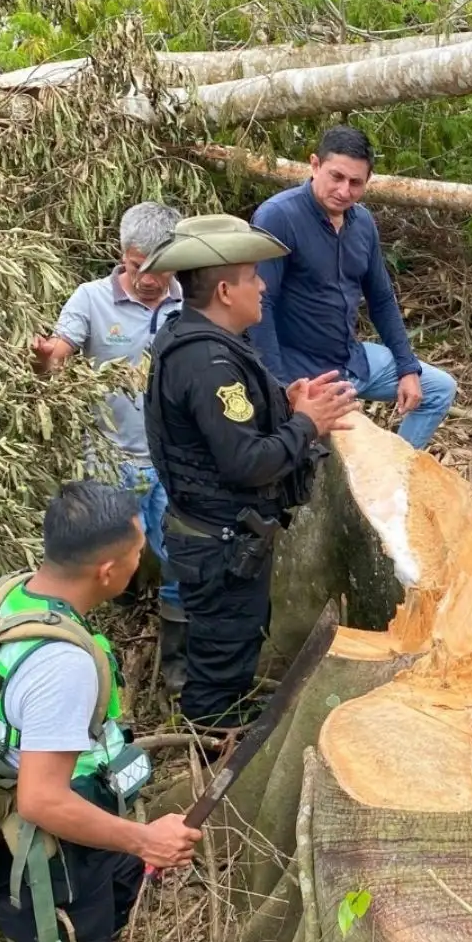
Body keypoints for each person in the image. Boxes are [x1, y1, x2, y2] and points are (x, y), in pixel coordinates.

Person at [0, 480, 203, 942]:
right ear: (108, 570)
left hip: (71, 835)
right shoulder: (62, 668)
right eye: (138, 551)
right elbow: (42, 798)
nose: (143, 558)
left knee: (100, 928)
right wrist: (142, 839)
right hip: (49, 860)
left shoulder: (17, 598)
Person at [143, 214, 359, 728]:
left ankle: (227, 722)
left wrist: (285, 403)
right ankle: (213, 744)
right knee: (220, 668)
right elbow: (246, 462)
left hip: (222, 540)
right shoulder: (208, 363)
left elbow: (221, 428)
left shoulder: (198, 339)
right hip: (220, 547)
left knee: (233, 649)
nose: (262, 286)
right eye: (252, 277)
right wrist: (306, 424)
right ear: (224, 290)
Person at [30, 201, 191, 691]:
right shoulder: (91, 299)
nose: (149, 279)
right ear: (123, 255)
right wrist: (45, 358)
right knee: (101, 554)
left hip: (172, 460)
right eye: (138, 266)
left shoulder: (190, 301)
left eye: (160, 268)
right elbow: (59, 353)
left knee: (181, 557)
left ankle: (176, 664)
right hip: (110, 459)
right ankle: (97, 645)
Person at [250, 126, 456, 450]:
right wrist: (281, 389)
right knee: (327, 458)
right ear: (315, 165)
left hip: (352, 359)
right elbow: (261, 305)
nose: (344, 191)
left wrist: (407, 367)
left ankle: (395, 472)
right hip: (305, 372)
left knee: (439, 389)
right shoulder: (279, 217)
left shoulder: (362, 223)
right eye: (336, 177)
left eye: (355, 182)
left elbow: (382, 299)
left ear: (367, 181)